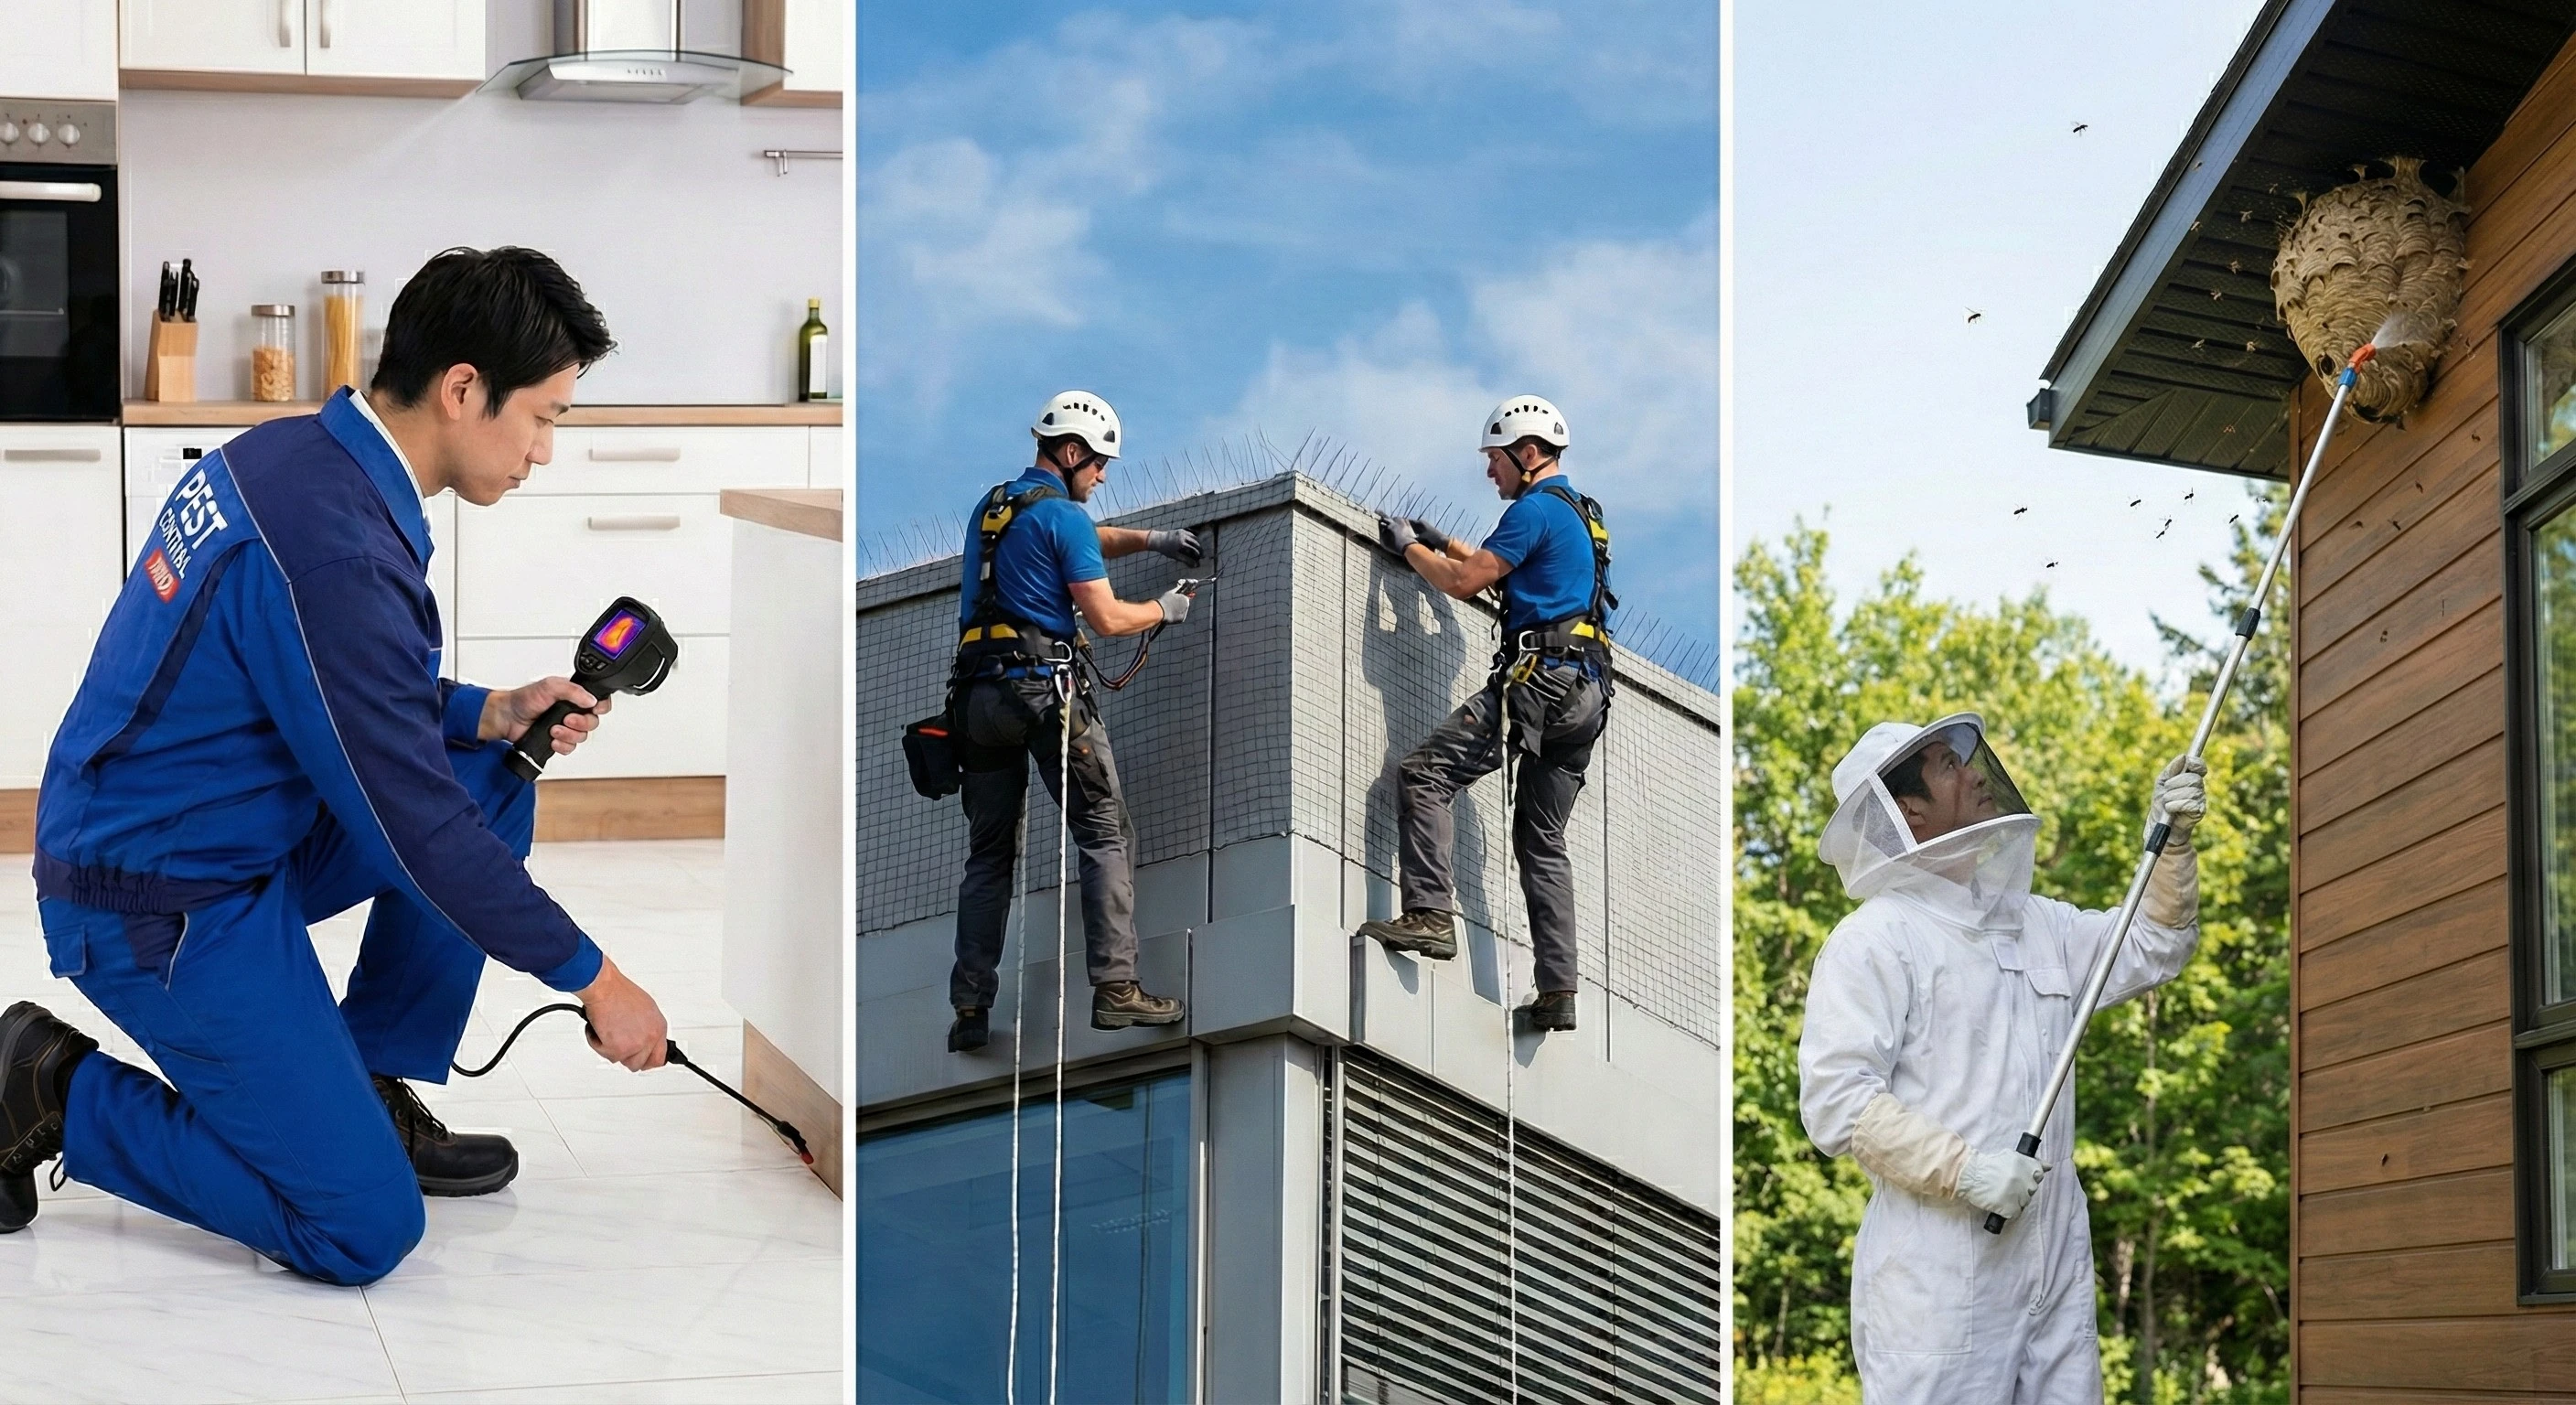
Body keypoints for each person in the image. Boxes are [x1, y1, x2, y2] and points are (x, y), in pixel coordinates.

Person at [0, 247, 673, 1287]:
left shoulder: (301, 461)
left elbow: (311, 681)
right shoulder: (336, 546)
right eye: (543, 416)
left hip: (215, 830)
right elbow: (414, 829)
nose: (544, 450)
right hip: (153, 900)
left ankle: (365, 1083)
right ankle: (44, 1092)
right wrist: (598, 979)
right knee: (360, 1228)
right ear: (462, 390)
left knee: (492, 773)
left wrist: (487, 713)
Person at [1798, 714, 2207, 1400]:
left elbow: (2152, 946)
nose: (1976, 771)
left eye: (1967, 757)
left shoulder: (2035, 923)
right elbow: (1838, 1105)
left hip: (2052, 1272)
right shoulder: (1876, 941)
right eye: (1947, 766)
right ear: (1911, 812)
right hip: (1939, 1287)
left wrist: (2171, 847)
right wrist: (1965, 1170)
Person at [943, 391, 1201, 1055]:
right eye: (1100, 465)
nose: (1104, 477)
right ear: (1072, 452)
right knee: (1104, 833)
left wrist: (1150, 538)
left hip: (976, 699)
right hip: (1041, 695)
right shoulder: (1065, 520)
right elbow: (1111, 619)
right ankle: (1117, 990)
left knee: (989, 857)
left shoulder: (996, 507)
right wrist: (1163, 609)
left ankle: (970, 1007)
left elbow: (1075, 536)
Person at [1355, 395, 1614, 1032]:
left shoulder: (1531, 511)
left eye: (1495, 459)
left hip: (1540, 684)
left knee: (1423, 774)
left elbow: (1464, 583)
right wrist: (1450, 543)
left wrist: (1411, 549)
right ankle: (1558, 989)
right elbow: (1519, 578)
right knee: (1542, 839)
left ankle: (1430, 915)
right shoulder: (1580, 516)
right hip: (1587, 697)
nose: (1488, 472)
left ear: (1528, 454)